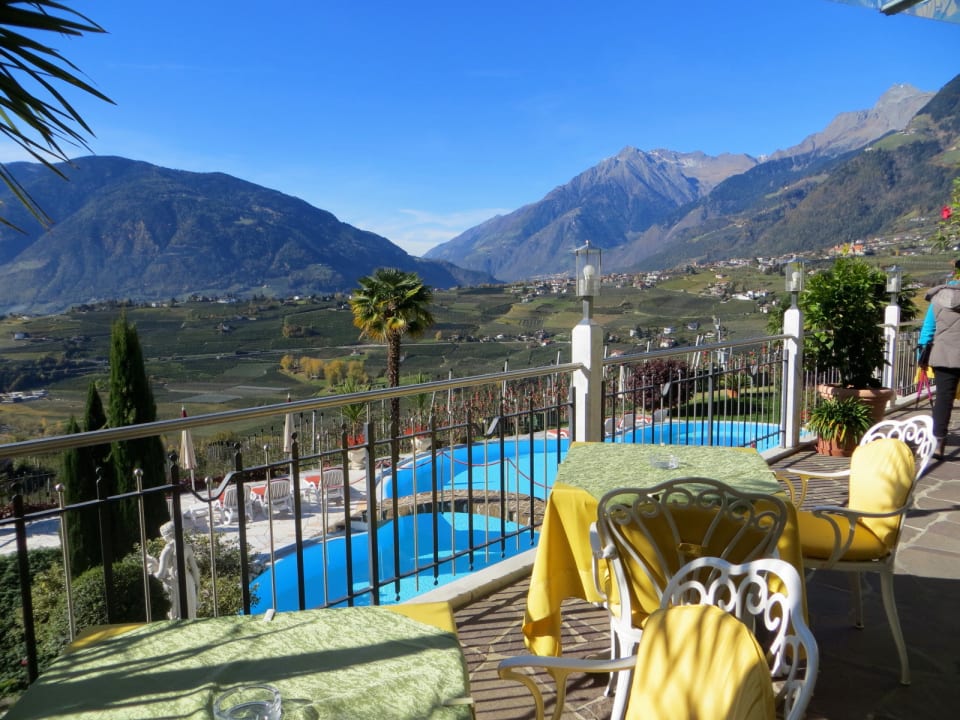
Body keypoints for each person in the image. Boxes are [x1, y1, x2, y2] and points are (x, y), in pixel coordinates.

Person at [918, 259, 960, 456]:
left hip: (943, 355)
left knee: (944, 398)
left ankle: (938, 443)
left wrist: (922, 357)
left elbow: (928, 329)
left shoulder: (939, 297)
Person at [151, 521, 201, 619]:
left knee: (177, 614)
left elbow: (160, 575)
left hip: (174, 583)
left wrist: (152, 571)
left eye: (163, 536)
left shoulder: (167, 550)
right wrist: (197, 588)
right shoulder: (187, 547)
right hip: (188, 581)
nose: (163, 538)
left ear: (169, 535)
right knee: (190, 613)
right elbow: (195, 571)